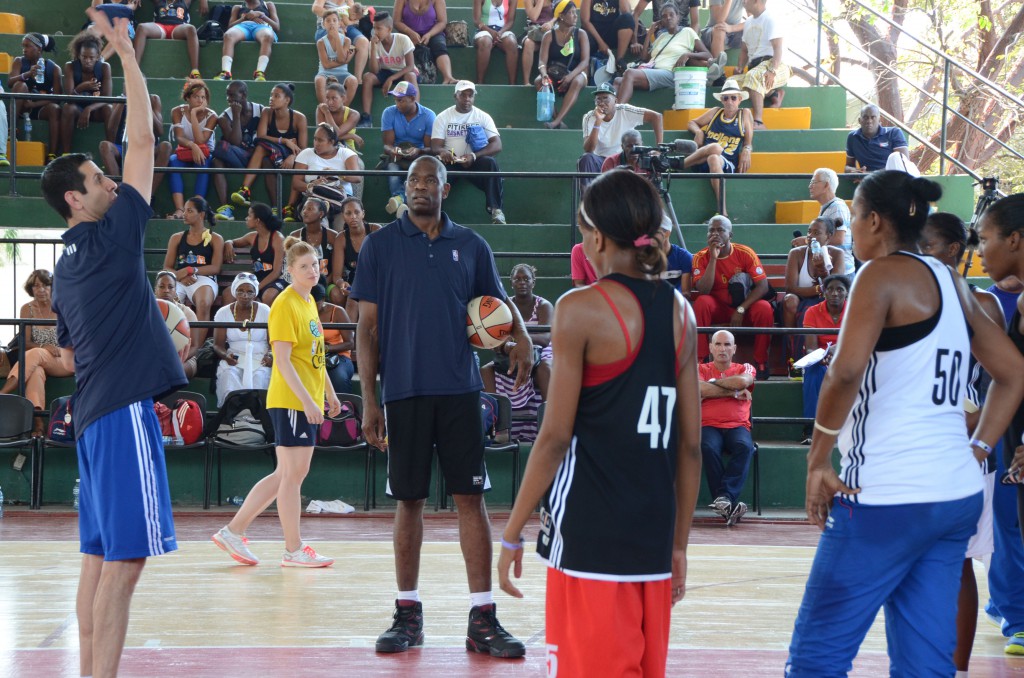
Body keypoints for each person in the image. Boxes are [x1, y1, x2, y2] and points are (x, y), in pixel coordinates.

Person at [785, 172, 1024, 677]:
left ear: (874, 220)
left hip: (887, 493)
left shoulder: (879, 275)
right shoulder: (953, 282)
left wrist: (818, 458)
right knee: (924, 661)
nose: (850, 227)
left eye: (852, 216)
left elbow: (845, 371)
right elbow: (1014, 372)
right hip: (954, 493)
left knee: (816, 655)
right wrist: (979, 448)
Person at [496, 169, 701, 677]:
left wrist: (512, 531)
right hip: (653, 533)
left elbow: (554, 438)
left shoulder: (580, 308)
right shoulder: (682, 313)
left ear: (597, 237)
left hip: (590, 533)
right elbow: (691, 447)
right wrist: (678, 545)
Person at [40, 11, 187, 676]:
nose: (112, 182)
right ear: (77, 198)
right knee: (124, 565)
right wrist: (128, 53)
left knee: (97, 559)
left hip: (92, 418)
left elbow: (67, 358)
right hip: (123, 412)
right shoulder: (110, 237)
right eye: (98, 181)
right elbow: (145, 142)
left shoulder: (66, 269)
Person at [353, 155, 533, 658]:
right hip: (403, 391)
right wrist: (369, 399)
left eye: (430, 179)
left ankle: (482, 618)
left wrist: (521, 339)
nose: (420, 186)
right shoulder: (380, 245)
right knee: (407, 500)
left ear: (446, 189)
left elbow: (499, 305)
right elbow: (366, 331)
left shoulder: (471, 245)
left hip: (459, 390)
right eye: (413, 179)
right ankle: (407, 614)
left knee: (469, 499)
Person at [212, 237, 342, 568]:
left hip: (305, 399)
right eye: (304, 267)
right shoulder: (284, 304)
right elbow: (283, 361)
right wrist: (308, 402)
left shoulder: (309, 301)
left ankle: (233, 531)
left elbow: (315, 356)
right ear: (289, 270)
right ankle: (293, 549)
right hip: (290, 401)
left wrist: (329, 393)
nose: (312, 270)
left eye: (314, 264)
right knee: (293, 475)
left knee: (285, 473)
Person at [918, 211, 1004, 676]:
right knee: (919, 566)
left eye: (927, 247)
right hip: (919, 448)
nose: (919, 256)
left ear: (954, 249)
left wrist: (981, 431)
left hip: (967, 449)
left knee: (959, 563)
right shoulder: (908, 297)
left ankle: (958, 668)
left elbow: (1003, 377)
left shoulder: (983, 303)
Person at [691, 215, 773, 379]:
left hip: (743, 307)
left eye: (720, 230)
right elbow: (704, 290)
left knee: (764, 308)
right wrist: (713, 258)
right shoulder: (700, 257)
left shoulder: (744, 252)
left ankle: (761, 361)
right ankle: (701, 360)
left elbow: (763, 286)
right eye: (711, 231)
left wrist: (742, 309)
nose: (715, 234)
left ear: (730, 235)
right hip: (718, 308)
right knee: (701, 302)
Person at [480, 263, 553, 440]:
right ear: (511, 283)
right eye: (517, 279)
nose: (522, 282)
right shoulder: (505, 307)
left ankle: (550, 422)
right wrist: (511, 345)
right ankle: (499, 426)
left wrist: (518, 341)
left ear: (533, 282)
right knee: (485, 370)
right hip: (510, 352)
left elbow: (544, 338)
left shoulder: (543, 305)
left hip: (541, 351)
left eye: (526, 278)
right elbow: (497, 338)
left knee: (544, 367)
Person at [0, 270, 75, 432]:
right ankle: (39, 424)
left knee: (35, 355)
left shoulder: (63, 306)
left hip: (64, 360)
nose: (41, 289)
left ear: (52, 287)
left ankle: (3, 393)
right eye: (36, 286)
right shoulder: (27, 309)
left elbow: (76, 339)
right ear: (31, 289)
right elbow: (26, 342)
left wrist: (57, 349)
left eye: (45, 285)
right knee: (36, 371)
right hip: (39, 359)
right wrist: (44, 347)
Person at [431, 80, 507, 225]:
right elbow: (435, 146)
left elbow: (497, 145)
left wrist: (474, 156)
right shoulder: (443, 117)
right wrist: (444, 153)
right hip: (451, 161)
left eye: (470, 96)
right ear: (455, 96)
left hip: (474, 160)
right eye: (463, 95)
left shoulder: (482, 116)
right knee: (436, 167)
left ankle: (496, 210)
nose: (467, 99)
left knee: (490, 163)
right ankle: (433, 213)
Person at [699, 329, 754, 525]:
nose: (723, 348)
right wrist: (732, 391)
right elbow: (698, 388)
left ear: (734, 348)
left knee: (745, 447)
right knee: (707, 446)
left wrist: (712, 386)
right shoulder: (700, 369)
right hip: (708, 425)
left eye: (727, 344)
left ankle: (724, 499)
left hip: (738, 426)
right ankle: (727, 501)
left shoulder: (745, 367)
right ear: (711, 348)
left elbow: (742, 381)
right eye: (719, 344)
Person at [229, 83, 308, 217]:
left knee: (298, 164)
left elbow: (304, 149)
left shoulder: (299, 118)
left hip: (291, 156)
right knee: (261, 148)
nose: (271, 98)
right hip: (272, 153)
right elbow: (261, 136)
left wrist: (292, 157)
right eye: (271, 95)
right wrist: (284, 141)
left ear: (287, 100)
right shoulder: (267, 112)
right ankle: (244, 191)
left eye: (276, 96)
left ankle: (290, 208)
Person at [613, 3, 712, 105]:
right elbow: (644, 58)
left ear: (678, 17)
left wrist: (687, 55)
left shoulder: (688, 32)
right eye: (664, 16)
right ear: (661, 21)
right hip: (653, 71)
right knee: (617, 81)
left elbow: (708, 55)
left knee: (629, 73)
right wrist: (649, 34)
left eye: (671, 15)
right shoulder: (661, 36)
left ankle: (618, 112)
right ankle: (609, 115)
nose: (668, 18)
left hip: (669, 73)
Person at [683, 79, 754, 217]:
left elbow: (748, 141)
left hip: (726, 164)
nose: (729, 101)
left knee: (715, 154)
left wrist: (747, 149)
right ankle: (682, 164)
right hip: (701, 161)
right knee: (714, 150)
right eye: (726, 98)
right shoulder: (715, 112)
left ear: (740, 99)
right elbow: (692, 123)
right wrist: (698, 131)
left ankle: (722, 212)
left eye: (733, 98)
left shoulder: (744, 114)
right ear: (722, 100)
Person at [162, 195, 224, 346]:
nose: (184, 214)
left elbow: (215, 267)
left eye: (189, 211)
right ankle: (167, 345)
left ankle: (196, 349)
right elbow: (167, 267)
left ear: (201, 214)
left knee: (203, 302)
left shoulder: (215, 238)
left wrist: (191, 270)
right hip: (179, 279)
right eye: (184, 210)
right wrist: (181, 276)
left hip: (204, 278)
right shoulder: (176, 238)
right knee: (166, 301)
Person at [578, 82, 663, 188]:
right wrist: (598, 121)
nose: (602, 102)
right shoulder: (589, 117)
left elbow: (656, 117)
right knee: (586, 158)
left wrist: (659, 149)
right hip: (600, 160)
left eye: (606, 98)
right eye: (598, 99)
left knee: (640, 159)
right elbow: (588, 149)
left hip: (621, 159)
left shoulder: (624, 110)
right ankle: (586, 202)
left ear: (615, 101)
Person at [782, 217, 845, 358]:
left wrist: (823, 270)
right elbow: (790, 288)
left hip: (829, 301)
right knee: (790, 300)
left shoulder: (837, 254)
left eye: (816, 233)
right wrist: (818, 289)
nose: (811, 236)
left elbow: (835, 287)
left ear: (828, 236)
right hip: (802, 300)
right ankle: (793, 356)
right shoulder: (797, 253)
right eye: (809, 232)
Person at [798, 273, 848, 443]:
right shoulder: (812, 311)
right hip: (822, 357)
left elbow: (856, 341)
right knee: (813, 372)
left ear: (847, 293)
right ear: (824, 292)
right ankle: (810, 430)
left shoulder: (855, 311)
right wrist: (824, 357)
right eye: (830, 289)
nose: (835, 293)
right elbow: (811, 347)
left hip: (848, 356)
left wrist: (837, 352)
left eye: (840, 289)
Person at [211, 272, 273, 407]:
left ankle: (257, 420)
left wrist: (270, 355)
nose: (245, 295)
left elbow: (272, 343)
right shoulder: (223, 312)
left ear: (255, 293)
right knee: (229, 376)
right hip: (235, 358)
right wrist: (226, 355)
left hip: (260, 358)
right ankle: (231, 416)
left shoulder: (265, 311)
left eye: (249, 292)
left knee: (260, 378)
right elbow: (217, 345)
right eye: (240, 291)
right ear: (234, 291)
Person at [379, 80, 435, 216]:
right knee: (392, 171)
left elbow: (431, 148)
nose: (397, 104)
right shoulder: (388, 113)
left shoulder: (429, 116)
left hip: (420, 158)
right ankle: (401, 201)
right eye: (396, 100)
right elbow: (387, 145)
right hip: (397, 158)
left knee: (419, 174)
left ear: (412, 98)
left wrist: (418, 151)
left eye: (401, 100)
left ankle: (399, 201)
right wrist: (394, 151)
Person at [732, 0, 791, 129]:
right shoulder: (748, 22)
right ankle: (773, 94)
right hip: (755, 67)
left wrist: (772, 71)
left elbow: (778, 48)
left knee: (754, 76)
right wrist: (740, 67)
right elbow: (744, 50)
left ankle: (758, 121)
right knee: (731, 83)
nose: (743, 2)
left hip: (774, 64)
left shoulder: (770, 19)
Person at [212, 81, 266, 221]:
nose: (229, 99)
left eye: (232, 95)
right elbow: (235, 142)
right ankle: (225, 208)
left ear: (244, 95)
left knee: (262, 154)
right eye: (227, 95)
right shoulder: (224, 117)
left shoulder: (261, 110)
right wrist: (236, 115)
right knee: (218, 156)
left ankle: (275, 207)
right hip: (236, 158)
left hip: (256, 158)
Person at [535, 0, 589, 131]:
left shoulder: (581, 34)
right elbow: (542, 62)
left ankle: (556, 122)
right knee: (539, 81)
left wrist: (570, 76)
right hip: (555, 71)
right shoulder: (549, 36)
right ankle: (557, 120)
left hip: (576, 72)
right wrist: (544, 74)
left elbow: (585, 61)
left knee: (576, 82)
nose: (575, 16)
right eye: (571, 13)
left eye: (575, 12)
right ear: (561, 16)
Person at [167, 79, 217, 218]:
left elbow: (201, 140)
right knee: (173, 162)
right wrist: (192, 146)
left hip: (204, 152)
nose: (200, 100)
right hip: (185, 151)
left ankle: (197, 208)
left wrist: (194, 114)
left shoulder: (212, 116)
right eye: (196, 97)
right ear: (187, 97)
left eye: (203, 97)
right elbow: (179, 137)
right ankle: (179, 209)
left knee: (204, 162)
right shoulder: (177, 111)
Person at [8, 33, 63, 161]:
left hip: (39, 108)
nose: (24, 49)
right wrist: (27, 74)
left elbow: (58, 97)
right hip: (21, 106)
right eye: (23, 46)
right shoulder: (19, 61)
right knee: (20, 85)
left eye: (27, 46)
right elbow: (10, 82)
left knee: (55, 108)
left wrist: (33, 104)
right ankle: (11, 130)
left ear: (39, 48)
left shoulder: (54, 68)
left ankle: (52, 154)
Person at [289, 122, 360, 218]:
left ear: (331, 142)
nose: (316, 143)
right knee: (316, 212)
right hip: (314, 199)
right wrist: (313, 186)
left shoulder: (347, 153)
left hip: (340, 199)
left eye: (320, 140)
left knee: (342, 219)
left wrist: (336, 174)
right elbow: (296, 183)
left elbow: (357, 178)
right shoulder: (306, 153)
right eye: (315, 139)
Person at [360, 12, 418, 129]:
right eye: (374, 28)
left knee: (410, 76)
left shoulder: (403, 39)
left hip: (403, 71)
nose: (375, 32)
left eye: (379, 28)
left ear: (389, 29)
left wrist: (391, 78)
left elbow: (410, 66)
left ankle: (416, 113)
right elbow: (374, 70)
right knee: (367, 77)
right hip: (385, 72)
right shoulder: (375, 43)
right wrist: (373, 48)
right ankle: (367, 118)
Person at [60, 33, 114, 157]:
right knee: (68, 108)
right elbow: (68, 97)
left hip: (96, 110)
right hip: (77, 108)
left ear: (98, 57)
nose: (87, 61)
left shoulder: (105, 67)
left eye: (91, 58)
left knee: (108, 109)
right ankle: (66, 154)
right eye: (84, 57)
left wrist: (89, 109)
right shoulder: (70, 66)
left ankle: (111, 152)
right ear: (79, 55)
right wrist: (82, 87)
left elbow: (107, 98)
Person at [223, 202, 287, 305]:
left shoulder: (277, 238)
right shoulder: (252, 237)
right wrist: (228, 242)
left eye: (249, 215)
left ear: (258, 221)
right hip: (256, 279)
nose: (246, 218)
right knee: (228, 293)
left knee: (268, 296)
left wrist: (256, 288)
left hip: (276, 280)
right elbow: (233, 242)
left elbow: (276, 272)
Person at [328, 196, 381, 312]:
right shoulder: (341, 238)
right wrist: (342, 284)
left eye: (357, 212)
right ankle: (350, 330)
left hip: (377, 279)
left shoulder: (375, 230)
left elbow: (386, 264)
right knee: (352, 300)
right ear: (343, 216)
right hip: (354, 282)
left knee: (357, 299)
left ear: (363, 214)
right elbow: (337, 275)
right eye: (348, 213)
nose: (353, 216)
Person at [393, 0, 459, 86]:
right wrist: (411, 33)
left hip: (433, 32)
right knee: (405, 47)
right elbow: (396, 22)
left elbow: (442, 22)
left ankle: (448, 77)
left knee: (439, 46)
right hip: (408, 33)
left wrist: (429, 35)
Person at [132, 0, 203, 79]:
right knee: (141, 28)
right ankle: (135, 69)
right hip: (160, 27)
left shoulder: (184, 1)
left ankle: (195, 71)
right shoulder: (159, 1)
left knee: (191, 29)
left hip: (178, 28)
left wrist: (204, 2)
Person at [215, 0, 281, 81]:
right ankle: (226, 73)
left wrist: (262, 15)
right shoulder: (237, 7)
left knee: (267, 36)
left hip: (262, 27)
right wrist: (244, 18)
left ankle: (259, 73)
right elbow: (230, 27)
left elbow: (277, 27)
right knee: (228, 35)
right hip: (243, 27)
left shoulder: (268, 5)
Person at [153, 270, 200, 378]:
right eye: (161, 286)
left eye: (170, 287)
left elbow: (195, 346)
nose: (166, 290)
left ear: (175, 291)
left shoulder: (187, 312)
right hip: (152, 357)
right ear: (155, 289)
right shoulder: (146, 309)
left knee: (172, 370)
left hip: (184, 358)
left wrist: (176, 359)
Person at [313, 0, 371, 85]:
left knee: (363, 42)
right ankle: (333, 78)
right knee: (339, 38)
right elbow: (316, 9)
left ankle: (357, 78)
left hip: (346, 26)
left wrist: (346, 19)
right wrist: (336, 19)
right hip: (327, 26)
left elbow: (353, 13)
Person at [312, 283, 355, 394]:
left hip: (339, 356)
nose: (313, 307)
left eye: (316, 304)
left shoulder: (338, 312)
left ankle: (345, 407)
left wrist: (326, 348)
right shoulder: (303, 311)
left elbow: (350, 343)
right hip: (311, 355)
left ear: (323, 299)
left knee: (338, 377)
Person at [808, 167, 853, 273]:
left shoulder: (837, 207)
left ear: (826, 185)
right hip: (832, 268)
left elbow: (839, 238)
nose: (810, 186)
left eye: (814, 182)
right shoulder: (828, 207)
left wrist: (808, 241)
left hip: (842, 271)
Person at [845, 103, 912, 174]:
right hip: (869, 181)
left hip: (894, 179)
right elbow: (848, 166)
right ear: (859, 120)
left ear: (879, 121)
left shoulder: (894, 133)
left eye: (873, 117)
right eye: (865, 117)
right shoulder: (853, 137)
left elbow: (903, 164)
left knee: (895, 157)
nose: (869, 121)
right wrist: (853, 171)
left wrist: (870, 174)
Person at [289, 195, 337, 286]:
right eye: (304, 209)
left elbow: (337, 269)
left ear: (321, 214)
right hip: (302, 282)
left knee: (336, 295)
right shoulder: (295, 236)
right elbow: (290, 265)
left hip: (327, 281)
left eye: (310, 209)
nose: (305, 212)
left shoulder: (332, 236)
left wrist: (322, 284)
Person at [579, 0, 635, 77]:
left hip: (611, 34)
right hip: (593, 35)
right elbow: (585, 21)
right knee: (583, 37)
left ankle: (619, 61)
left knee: (627, 18)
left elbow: (626, 12)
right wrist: (601, 43)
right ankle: (585, 73)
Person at [315, 10, 357, 105]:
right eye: (328, 21)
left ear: (339, 23)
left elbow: (341, 58)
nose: (332, 23)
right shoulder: (321, 42)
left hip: (342, 72)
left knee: (353, 81)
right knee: (319, 80)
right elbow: (326, 65)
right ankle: (325, 108)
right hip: (324, 72)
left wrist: (337, 37)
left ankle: (342, 109)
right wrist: (345, 61)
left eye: (334, 20)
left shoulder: (346, 40)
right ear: (323, 24)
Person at [473, 0, 518, 85]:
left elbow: (510, 21)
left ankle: (513, 84)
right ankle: (480, 82)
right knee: (485, 42)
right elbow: (477, 21)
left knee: (512, 43)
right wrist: (490, 31)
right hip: (484, 29)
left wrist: (499, 33)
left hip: (502, 30)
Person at [520, 0, 554, 87]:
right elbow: (534, 17)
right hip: (535, 33)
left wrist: (551, 23)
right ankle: (526, 82)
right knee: (528, 43)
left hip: (551, 32)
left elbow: (561, 13)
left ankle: (552, 79)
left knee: (553, 42)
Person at [699, 0, 744, 65]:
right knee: (720, 29)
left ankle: (755, 68)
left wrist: (732, 28)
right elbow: (720, 20)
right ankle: (718, 70)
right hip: (713, 32)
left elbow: (754, 19)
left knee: (752, 30)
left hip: (733, 31)